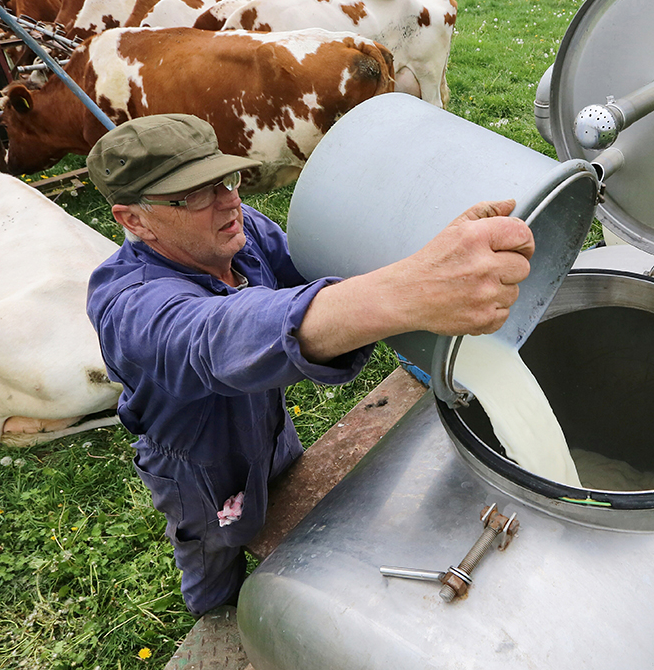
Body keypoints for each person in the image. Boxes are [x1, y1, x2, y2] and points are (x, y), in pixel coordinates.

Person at [84, 114, 535, 615]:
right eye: (193, 194)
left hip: (268, 425)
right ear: (133, 219)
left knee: (287, 494)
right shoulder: (129, 306)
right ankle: (216, 616)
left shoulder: (239, 230)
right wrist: (406, 293)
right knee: (215, 544)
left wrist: (404, 268)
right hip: (198, 463)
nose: (229, 200)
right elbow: (222, 337)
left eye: (223, 178)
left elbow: (307, 278)